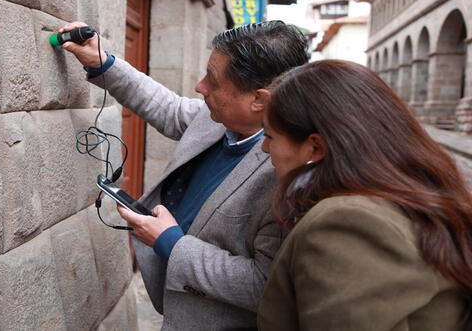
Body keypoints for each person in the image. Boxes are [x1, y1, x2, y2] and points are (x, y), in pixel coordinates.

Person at [60, 20, 308, 330]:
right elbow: (166, 106)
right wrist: (103, 62)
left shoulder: (289, 174)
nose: (200, 87)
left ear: (259, 100)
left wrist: (171, 243)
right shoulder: (216, 117)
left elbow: (265, 286)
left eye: (213, 81)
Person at [257, 59, 472, 330]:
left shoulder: (348, 223)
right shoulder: (407, 191)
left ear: (315, 147)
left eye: (270, 136)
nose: (265, 148)